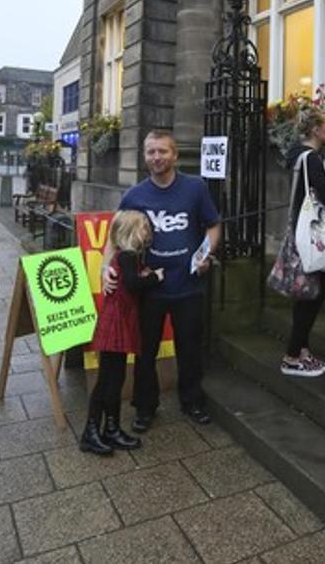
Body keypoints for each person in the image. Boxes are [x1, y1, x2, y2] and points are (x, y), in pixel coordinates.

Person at [102, 130, 221, 431]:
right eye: (151, 152)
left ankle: (192, 401)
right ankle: (145, 407)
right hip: (149, 289)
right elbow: (115, 235)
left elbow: (213, 225)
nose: (157, 157)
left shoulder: (195, 188)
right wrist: (106, 268)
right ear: (145, 156)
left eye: (163, 151)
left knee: (190, 349)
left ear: (175, 154)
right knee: (145, 352)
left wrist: (204, 255)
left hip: (188, 286)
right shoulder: (135, 195)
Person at [81, 210, 162, 455]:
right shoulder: (126, 256)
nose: (148, 232)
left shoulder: (128, 256)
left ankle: (111, 428)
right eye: (144, 227)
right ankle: (91, 431)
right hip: (115, 322)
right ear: (132, 232)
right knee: (107, 379)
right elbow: (132, 284)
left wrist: (143, 273)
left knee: (115, 379)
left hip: (119, 321)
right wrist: (155, 278)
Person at [282, 109, 325, 375]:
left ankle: (302, 351)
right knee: (313, 296)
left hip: (298, 231)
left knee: (303, 294)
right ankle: (293, 357)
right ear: (315, 130)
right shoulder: (312, 160)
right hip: (313, 236)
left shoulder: (296, 156)